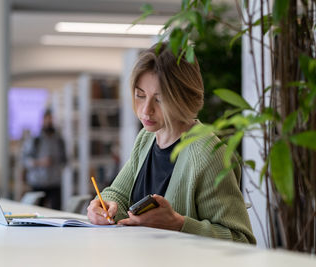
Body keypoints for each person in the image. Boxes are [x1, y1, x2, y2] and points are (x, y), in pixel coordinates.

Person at [87, 42, 256, 244]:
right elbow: (118, 195)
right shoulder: (146, 138)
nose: (145, 110)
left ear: (183, 97)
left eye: (159, 100)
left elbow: (241, 240)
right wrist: (105, 206)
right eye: (140, 95)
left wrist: (178, 224)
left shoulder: (209, 153)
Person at [22, 109, 66, 210]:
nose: (49, 121)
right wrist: (40, 162)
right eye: (46, 119)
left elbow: (65, 160)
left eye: (51, 119)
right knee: (37, 212)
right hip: (38, 183)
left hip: (55, 182)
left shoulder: (59, 140)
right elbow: (25, 160)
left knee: (56, 211)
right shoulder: (34, 140)